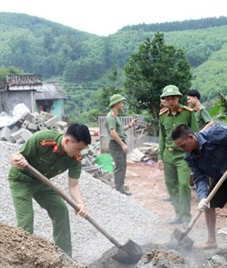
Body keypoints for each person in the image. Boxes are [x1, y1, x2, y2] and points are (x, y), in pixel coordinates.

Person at [172, 123, 227, 268]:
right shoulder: (189, 157)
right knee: (208, 204)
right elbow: (199, 178)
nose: (183, 149)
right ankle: (211, 240)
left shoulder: (214, 134)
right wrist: (202, 197)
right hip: (221, 175)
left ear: (191, 137)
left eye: (183, 145)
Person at [8, 122, 92, 258]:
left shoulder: (75, 159)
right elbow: (15, 156)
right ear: (67, 140)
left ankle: (65, 257)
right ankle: (23, 257)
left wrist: (80, 203)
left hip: (42, 182)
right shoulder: (43, 139)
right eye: (77, 148)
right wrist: (17, 160)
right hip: (21, 180)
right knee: (26, 220)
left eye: (81, 150)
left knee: (61, 210)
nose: (79, 152)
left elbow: (74, 185)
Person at [158, 85, 199, 225]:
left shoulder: (188, 113)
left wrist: (196, 154)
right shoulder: (163, 115)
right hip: (168, 155)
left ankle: (186, 216)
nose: (170, 101)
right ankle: (178, 214)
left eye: (173, 98)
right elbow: (162, 137)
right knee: (171, 185)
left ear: (178, 98)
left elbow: (195, 134)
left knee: (183, 185)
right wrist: (159, 157)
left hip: (184, 155)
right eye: (167, 99)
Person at [105, 94, 138, 196]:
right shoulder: (110, 117)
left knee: (123, 166)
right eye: (121, 103)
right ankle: (118, 190)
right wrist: (122, 144)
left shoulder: (116, 116)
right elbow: (113, 133)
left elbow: (119, 130)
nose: (123, 105)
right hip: (116, 145)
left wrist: (130, 125)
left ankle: (120, 188)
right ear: (116, 103)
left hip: (118, 143)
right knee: (120, 167)